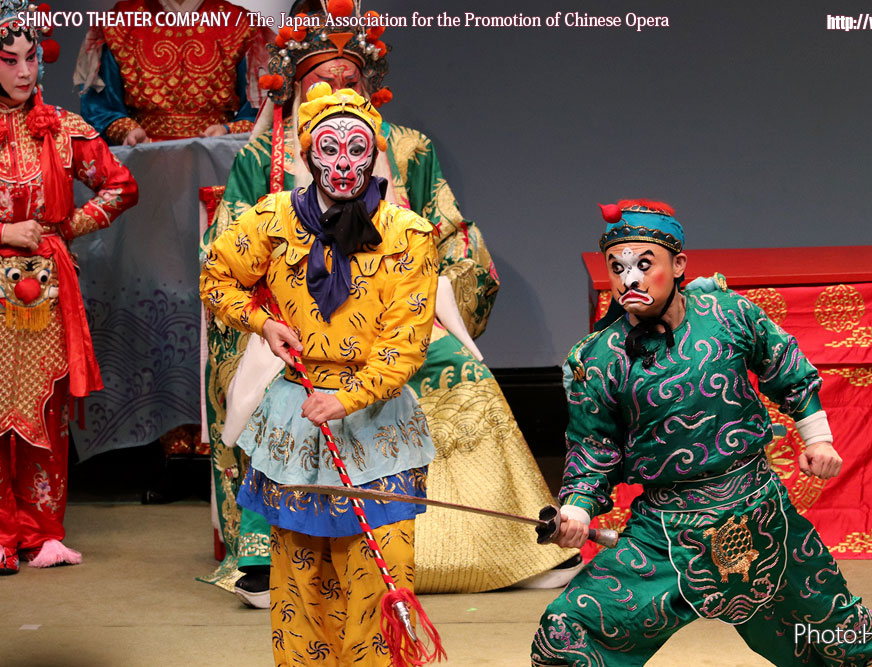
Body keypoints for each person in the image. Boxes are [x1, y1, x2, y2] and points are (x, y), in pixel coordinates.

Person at [200, 0, 573, 607]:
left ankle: (499, 547)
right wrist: (264, 319)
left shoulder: (408, 147)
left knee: (463, 370)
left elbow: (447, 232)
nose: (339, 93)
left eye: (352, 81)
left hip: (395, 308)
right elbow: (225, 258)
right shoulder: (262, 161)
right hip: (292, 320)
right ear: (296, 87)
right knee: (275, 387)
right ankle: (268, 551)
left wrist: (431, 280)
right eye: (323, 81)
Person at [531, 200, 872, 666]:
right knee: (568, 630)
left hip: (761, 515)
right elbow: (593, 448)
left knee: (845, 638)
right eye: (617, 268)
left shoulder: (728, 315)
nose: (630, 280)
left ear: (679, 265)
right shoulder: (599, 359)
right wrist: (577, 510)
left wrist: (818, 439)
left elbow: (785, 368)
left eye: (644, 265)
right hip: (664, 533)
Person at [201, 84, 438, 665]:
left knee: (377, 582)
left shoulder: (406, 235)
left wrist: (350, 397)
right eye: (329, 149)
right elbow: (216, 275)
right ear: (308, 154)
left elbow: (405, 345)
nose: (343, 163)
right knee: (300, 586)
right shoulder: (275, 219)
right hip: (298, 416)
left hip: (375, 423)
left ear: (374, 156)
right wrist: (261, 323)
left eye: (357, 149)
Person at [0, 4, 138, 574]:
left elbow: (120, 186)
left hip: (47, 289)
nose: (24, 71)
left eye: (32, 58)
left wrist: (64, 228)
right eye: (9, 60)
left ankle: (43, 532)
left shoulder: (60, 126)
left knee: (45, 411)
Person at [74, 0, 268, 145]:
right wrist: (128, 131)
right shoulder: (118, 25)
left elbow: (260, 113)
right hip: (144, 160)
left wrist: (227, 130)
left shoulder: (240, 25)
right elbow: (100, 108)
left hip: (217, 159)